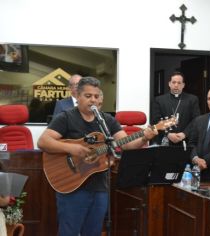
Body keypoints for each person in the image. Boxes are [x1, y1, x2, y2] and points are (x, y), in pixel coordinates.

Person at [37, 76, 157, 236]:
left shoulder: (107, 121)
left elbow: (126, 145)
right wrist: (72, 148)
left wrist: (144, 138)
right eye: (88, 96)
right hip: (71, 186)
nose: (92, 100)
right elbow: (43, 141)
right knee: (69, 232)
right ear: (78, 96)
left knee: (93, 232)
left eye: (95, 96)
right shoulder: (66, 117)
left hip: (100, 187)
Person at [151, 71, 200, 145]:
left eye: (179, 83)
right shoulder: (159, 100)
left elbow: (196, 120)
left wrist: (184, 134)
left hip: (186, 140)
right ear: (169, 84)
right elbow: (156, 120)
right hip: (164, 141)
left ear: (183, 85)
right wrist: (168, 134)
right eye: (173, 82)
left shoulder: (192, 99)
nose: (176, 85)